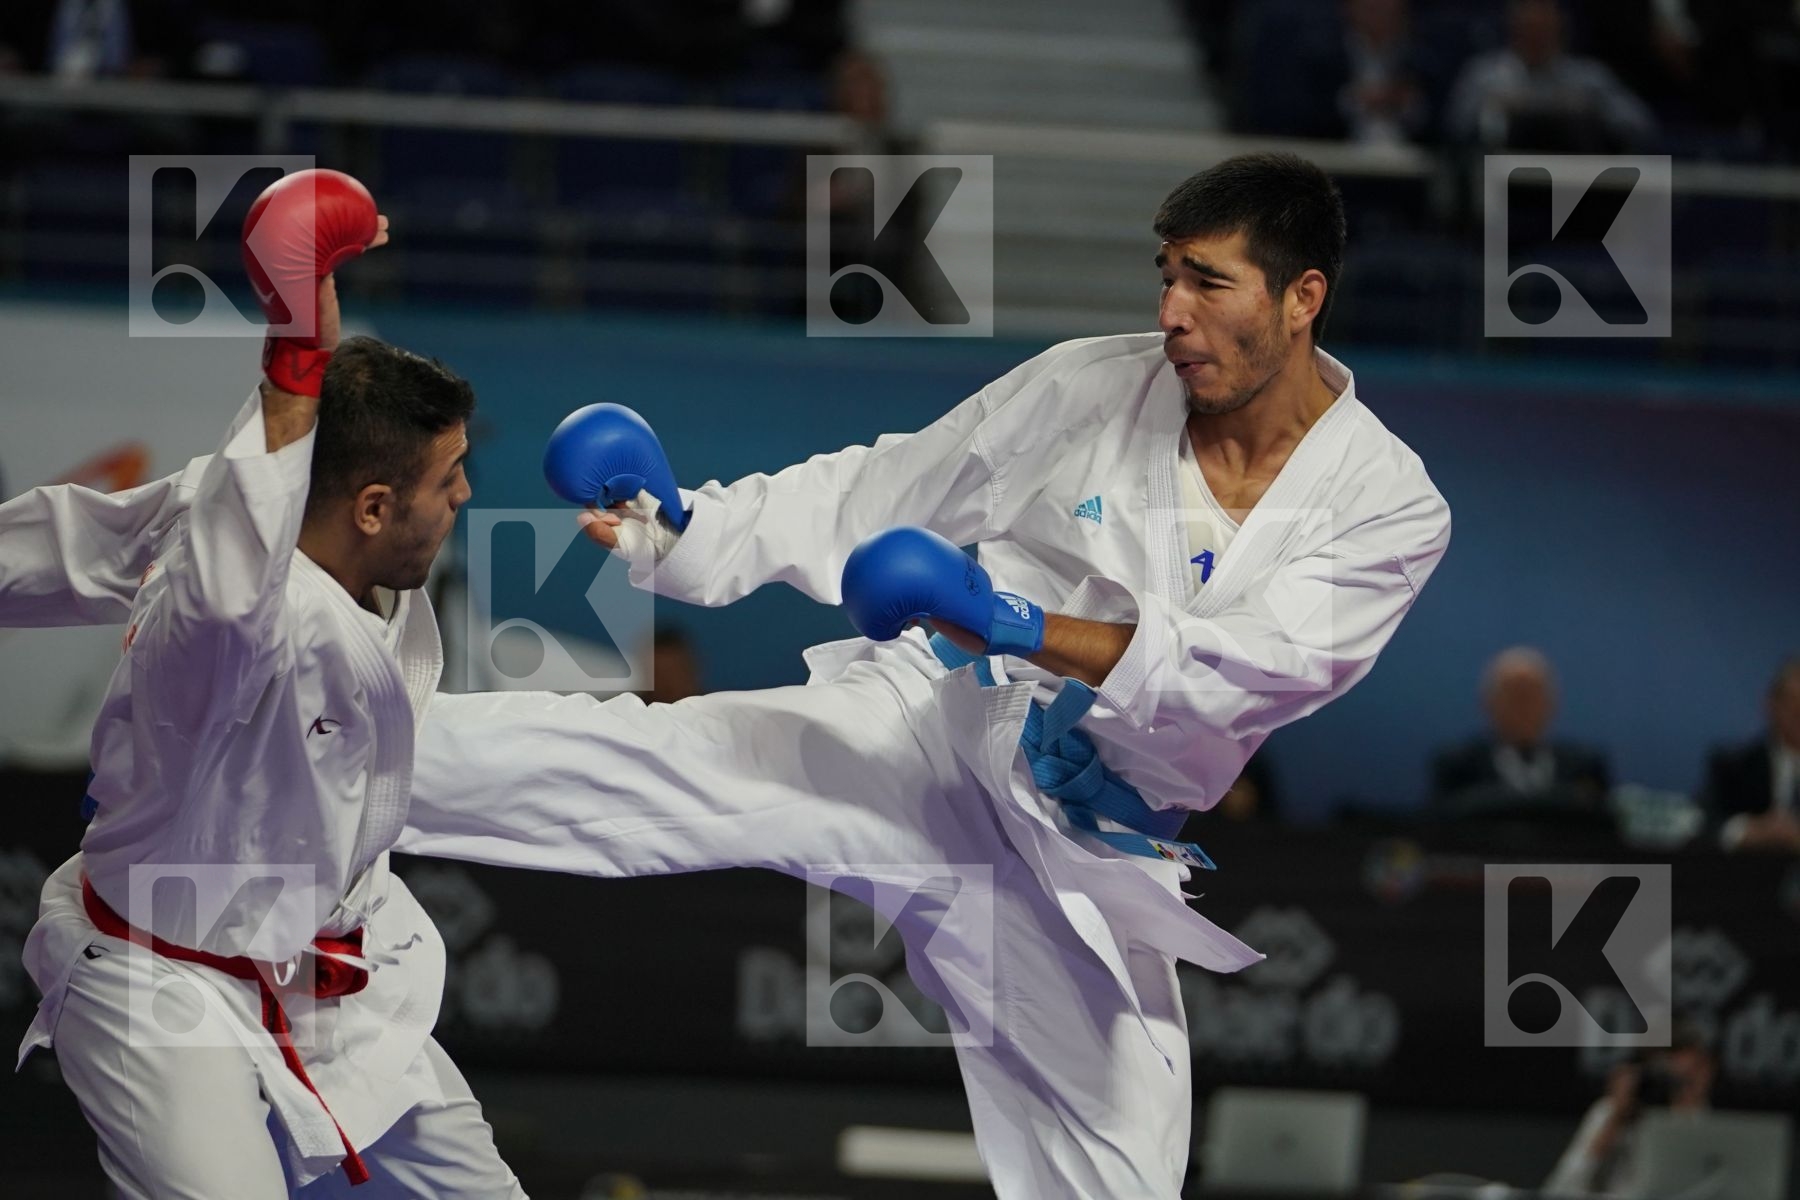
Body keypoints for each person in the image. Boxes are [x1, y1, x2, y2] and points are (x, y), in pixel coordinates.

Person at [3, 153, 1453, 1199]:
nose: (1174, 312)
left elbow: (1256, 671)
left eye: (1209, 284)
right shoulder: (1098, 381)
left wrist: (1009, 617)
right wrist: (688, 533)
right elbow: (888, 485)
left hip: (1084, 852)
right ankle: (190, 848)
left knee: (1121, 1169)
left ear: (1304, 296)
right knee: (623, 763)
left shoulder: (1386, 504)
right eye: (1166, 276)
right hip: (925, 731)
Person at [6, 169, 524, 1197]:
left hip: (331, 985)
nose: (467, 492)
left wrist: (310, 322)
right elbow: (240, 551)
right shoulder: (232, 614)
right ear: (373, 506)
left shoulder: (293, 531)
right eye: (448, 479)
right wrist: (289, 334)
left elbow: (62, 547)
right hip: (162, 988)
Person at [1446, 0, 1657, 153]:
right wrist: (1495, 106)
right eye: (1529, 30)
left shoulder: (1588, 77)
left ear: (1559, 31)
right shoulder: (1485, 74)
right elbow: (1454, 128)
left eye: (1543, 30)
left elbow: (1639, 124)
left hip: (1578, 184)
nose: (1536, 39)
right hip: (1503, 184)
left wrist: (1591, 107)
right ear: (1514, 30)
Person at [1430, 646, 1611, 816]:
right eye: (1513, 696)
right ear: (1488, 703)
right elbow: (1445, 815)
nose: (1524, 708)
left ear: (1552, 704)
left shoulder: (1584, 765)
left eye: (1532, 697)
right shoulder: (1457, 764)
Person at [1542, 1020, 1716, 1196]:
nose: (1671, 1084)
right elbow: (1560, 1188)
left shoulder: (1702, 1122)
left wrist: (1687, 1114)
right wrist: (1614, 1122)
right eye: (1662, 1072)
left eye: (1687, 1078)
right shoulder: (1611, 1112)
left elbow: (1709, 1190)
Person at [1699, 657, 1800, 854]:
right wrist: (1749, 831)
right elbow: (1705, 824)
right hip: (1748, 876)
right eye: (1792, 702)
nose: (1799, 714)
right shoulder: (1733, 764)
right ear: (1772, 704)